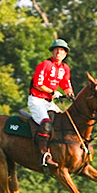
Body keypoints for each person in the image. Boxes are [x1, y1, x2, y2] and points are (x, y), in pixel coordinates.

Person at [28, 39, 75, 168]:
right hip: (37, 100)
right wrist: (53, 92)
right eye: (56, 49)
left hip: (49, 102)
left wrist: (70, 94)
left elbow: (66, 84)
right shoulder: (45, 64)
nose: (58, 52)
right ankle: (43, 154)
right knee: (46, 123)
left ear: (65, 53)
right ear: (52, 52)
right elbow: (38, 84)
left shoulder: (65, 68)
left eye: (61, 50)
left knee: (64, 121)